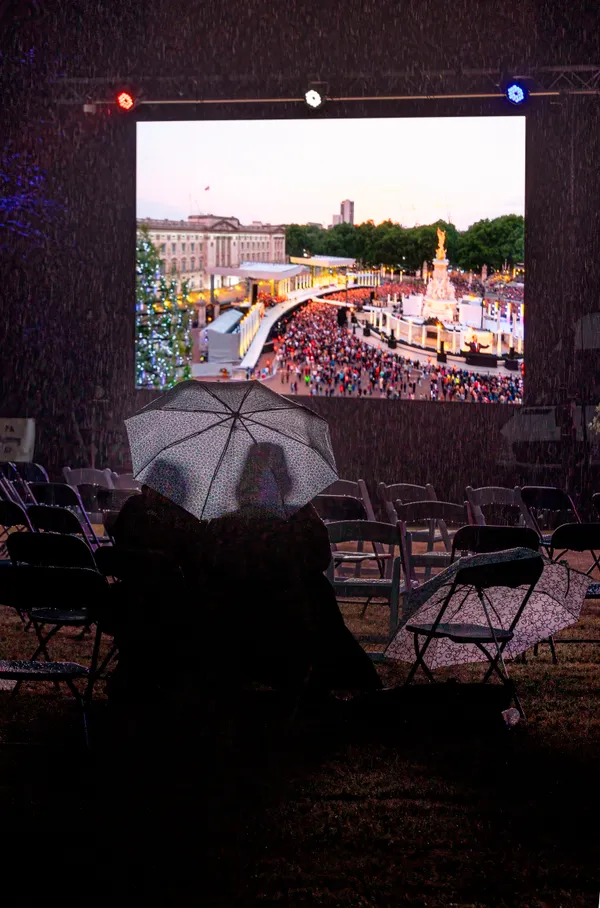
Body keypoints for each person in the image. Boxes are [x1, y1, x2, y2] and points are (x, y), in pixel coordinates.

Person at [207, 442, 382, 697]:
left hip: (240, 627)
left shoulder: (228, 520)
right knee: (316, 592)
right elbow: (321, 557)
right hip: (288, 620)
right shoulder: (295, 515)